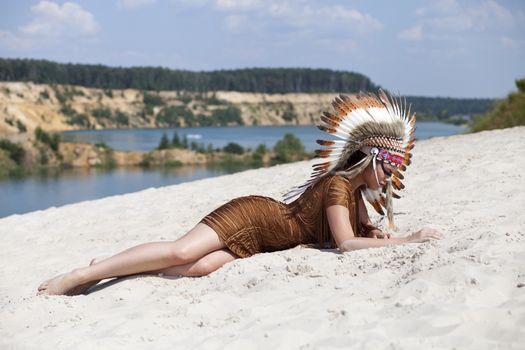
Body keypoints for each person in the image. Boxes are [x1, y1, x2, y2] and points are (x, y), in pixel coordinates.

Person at [37, 90, 443, 296]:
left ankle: (111, 268)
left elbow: (359, 233)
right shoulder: (339, 185)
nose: (391, 178)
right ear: (370, 157)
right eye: (390, 167)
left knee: (198, 268)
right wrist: (408, 239)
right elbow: (346, 245)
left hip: (262, 242)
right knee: (181, 252)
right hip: (253, 217)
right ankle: (84, 273)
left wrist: (379, 233)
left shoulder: (354, 196)